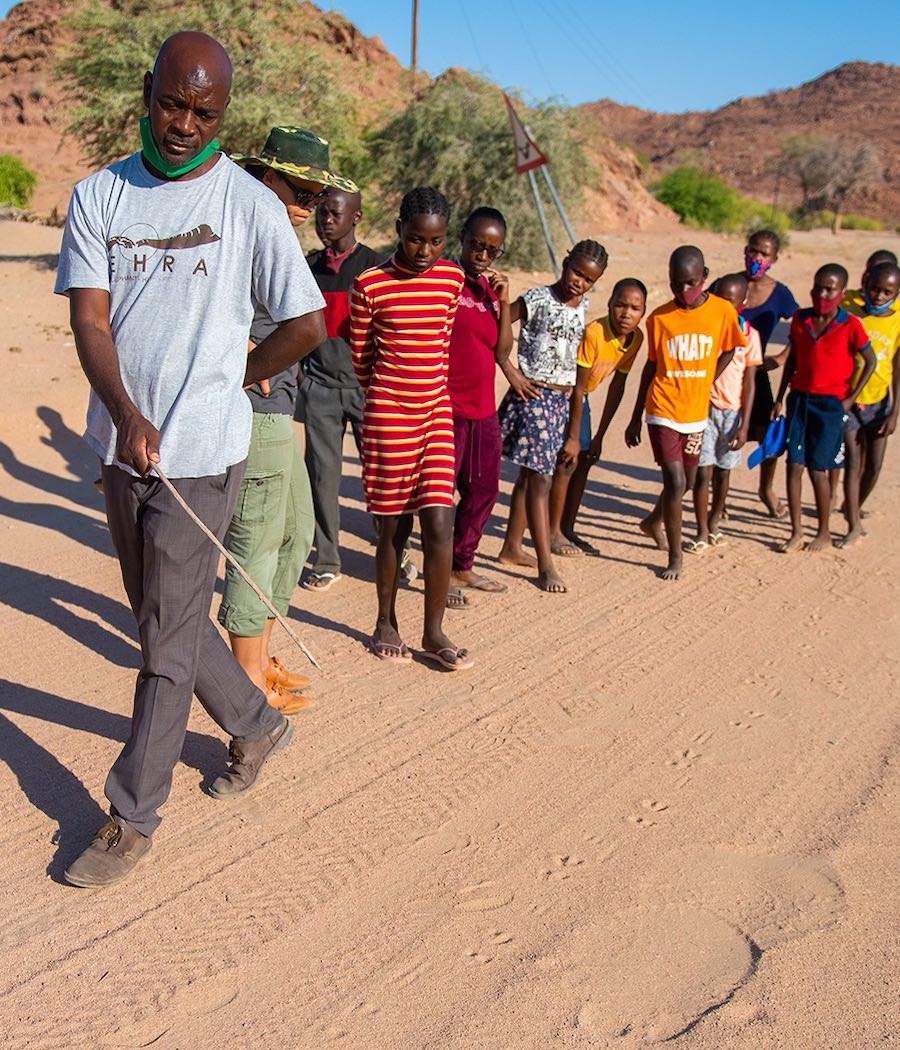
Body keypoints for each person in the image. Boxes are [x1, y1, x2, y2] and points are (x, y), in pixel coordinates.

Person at [55, 33, 326, 888]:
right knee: (159, 618)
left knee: (164, 643)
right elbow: (91, 322)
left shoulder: (247, 204)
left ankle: (132, 813)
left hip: (204, 455)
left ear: (224, 114)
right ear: (148, 92)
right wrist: (126, 414)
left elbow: (308, 321)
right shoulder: (100, 195)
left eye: (204, 112)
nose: (183, 124)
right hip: (122, 446)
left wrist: (242, 375)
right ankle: (254, 720)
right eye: (173, 103)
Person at [219, 127, 357, 715]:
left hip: (281, 409)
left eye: (314, 193)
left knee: (295, 532)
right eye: (297, 187)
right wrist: (250, 362)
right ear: (264, 176)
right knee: (257, 538)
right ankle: (245, 678)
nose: (308, 203)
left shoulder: (272, 229)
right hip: (253, 412)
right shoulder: (241, 226)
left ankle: (260, 654)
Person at [350, 187, 473, 670]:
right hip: (389, 416)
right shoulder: (371, 284)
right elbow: (362, 358)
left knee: (440, 521)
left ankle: (433, 629)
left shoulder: (452, 278)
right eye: (416, 239)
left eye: (437, 241)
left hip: (435, 413)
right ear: (399, 227)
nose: (425, 252)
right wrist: (391, 395)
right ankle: (385, 620)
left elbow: (443, 340)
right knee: (394, 527)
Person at [626, 245, 746, 580]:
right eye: (675, 284)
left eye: (690, 283)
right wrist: (636, 415)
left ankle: (653, 521)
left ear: (705, 277)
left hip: (696, 414)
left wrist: (709, 378)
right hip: (663, 409)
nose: (683, 291)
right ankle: (676, 556)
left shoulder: (722, 311)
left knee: (689, 481)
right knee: (676, 480)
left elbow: (732, 347)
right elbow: (651, 367)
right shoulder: (660, 318)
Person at [496, 240, 608, 592]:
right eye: (576, 272)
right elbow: (498, 327)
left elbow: (578, 369)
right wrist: (510, 370)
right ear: (565, 262)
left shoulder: (583, 307)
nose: (579, 282)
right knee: (542, 479)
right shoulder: (537, 299)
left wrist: (574, 429)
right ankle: (545, 563)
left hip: (560, 401)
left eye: (588, 279)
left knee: (530, 478)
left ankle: (512, 547)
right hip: (533, 395)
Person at [293, 186, 383, 591]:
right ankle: (327, 557)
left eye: (334, 213)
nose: (325, 220)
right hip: (321, 389)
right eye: (321, 213)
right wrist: (299, 375)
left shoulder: (376, 270)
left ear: (356, 218)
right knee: (322, 478)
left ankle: (394, 552)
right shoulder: (307, 267)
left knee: (382, 475)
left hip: (369, 389)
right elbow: (293, 323)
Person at [773, 264, 876, 552]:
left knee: (819, 470)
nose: (822, 293)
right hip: (799, 400)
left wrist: (851, 397)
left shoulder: (850, 324)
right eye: (818, 286)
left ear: (842, 292)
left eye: (829, 288)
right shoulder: (800, 319)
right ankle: (795, 532)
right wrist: (781, 396)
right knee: (794, 465)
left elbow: (871, 361)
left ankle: (823, 531)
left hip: (830, 406)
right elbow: (792, 361)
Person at [447, 207, 513, 595]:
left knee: (484, 490)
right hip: (446, 407)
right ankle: (439, 574)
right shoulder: (444, 280)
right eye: (476, 245)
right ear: (462, 239)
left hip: (483, 410)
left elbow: (502, 350)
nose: (483, 256)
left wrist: (504, 303)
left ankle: (461, 564)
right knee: (439, 495)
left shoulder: (492, 290)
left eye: (492, 250)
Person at [555, 278, 647, 554]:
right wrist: (574, 436)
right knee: (564, 463)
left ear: (643, 312)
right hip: (564, 395)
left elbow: (617, 386)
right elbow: (578, 386)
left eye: (634, 308)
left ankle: (567, 528)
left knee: (585, 459)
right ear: (609, 304)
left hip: (581, 399)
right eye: (620, 305)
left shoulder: (636, 339)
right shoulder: (595, 333)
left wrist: (600, 436)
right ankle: (552, 532)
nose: (626, 313)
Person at [689, 273, 763, 551]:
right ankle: (701, 530)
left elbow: (750, 382)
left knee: (724, 473)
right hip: (703, 409)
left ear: (743, 302)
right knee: (702, 473)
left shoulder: (749, 335)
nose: (724, 305)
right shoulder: (705, 330)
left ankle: (715, 520)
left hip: (732, 414)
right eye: (719, 298)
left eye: (730, 301)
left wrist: (744, 426)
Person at [741, 230, 799, 517]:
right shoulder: (729, 285)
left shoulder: (780, 294)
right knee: (720, 432)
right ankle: (718, 496)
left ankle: (766, 489)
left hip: (757, 374)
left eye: (764, 254)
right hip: (724, 374)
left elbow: (803, 329)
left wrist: (782, 357)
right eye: (754, 251)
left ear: (774, 259)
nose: (757, 258)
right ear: (745, 250)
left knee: (769, 437)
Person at [840, 261, 900, 534]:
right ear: (864, 285)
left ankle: (852, 505)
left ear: (896, 293)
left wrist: (895, 411)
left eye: (887, 292)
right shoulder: (850, 312)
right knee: (852, 463)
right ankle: (854, 524)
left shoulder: (898, 321)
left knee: (873, 467)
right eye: (874, 289)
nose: (879, 296)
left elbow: (897, 369)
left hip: (879, 404)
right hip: (849, 400)